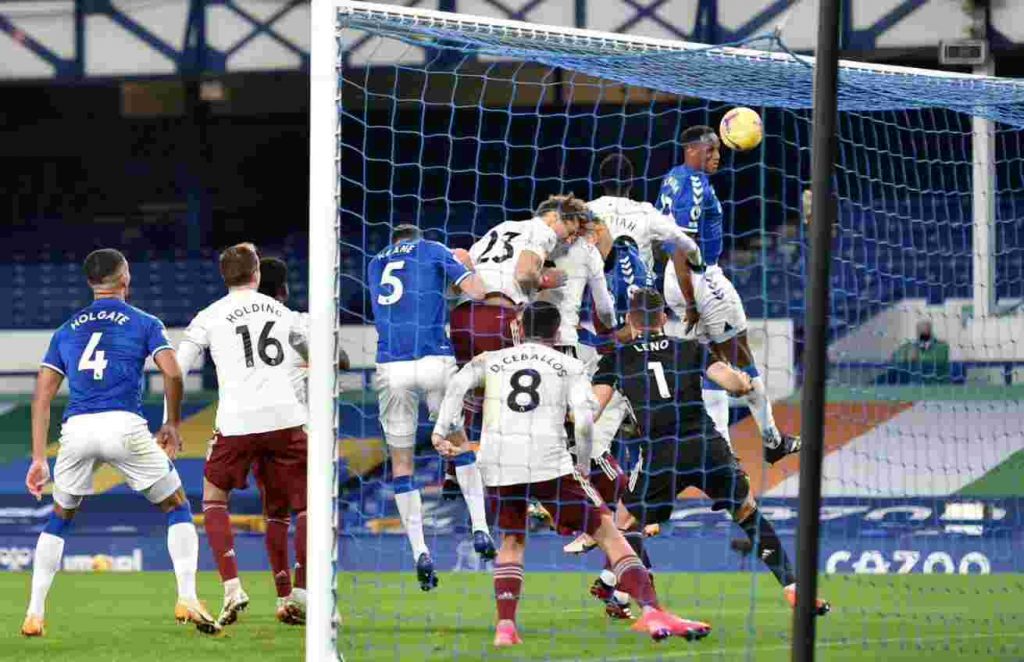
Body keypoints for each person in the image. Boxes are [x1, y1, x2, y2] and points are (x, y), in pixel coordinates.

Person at [431, 301, 712, 647]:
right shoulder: (569, 365)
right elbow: (583, 421)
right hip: (551, 461)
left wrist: (442, 430)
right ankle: (652, 610)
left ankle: (505, 627)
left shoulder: (491, 360)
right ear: (557, 333)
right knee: (609, 531)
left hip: (500, 462)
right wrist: (581, 465)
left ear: (519, 329)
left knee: (513, 540)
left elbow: (458, 383)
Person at [588, 288, 830, 618]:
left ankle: (639, 600)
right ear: (663, 318)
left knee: (625, 522)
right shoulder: (689, 348)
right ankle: (793, 588)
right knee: (747, 514)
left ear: (630, 321)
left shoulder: (615, 360)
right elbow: (734, 384)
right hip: (707, 448)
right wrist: (743, 380)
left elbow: (591, 410)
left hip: (661, 454)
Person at [21, 248, 217, 637]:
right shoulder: (144, 322)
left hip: (76, 430)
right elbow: (173, 373)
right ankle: (187, 596)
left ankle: (34, 613)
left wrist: (40, 458)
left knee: (60, 516)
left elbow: (42, 395)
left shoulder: (67, 328)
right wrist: (173, 425)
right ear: (124, 279)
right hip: (123, 424)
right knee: (176, 505)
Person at [175, 243, 309, 628]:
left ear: (224, 277)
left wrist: (171, 418)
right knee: (307, 505)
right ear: (257, 274)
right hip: (286, 418)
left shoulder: (210, 315)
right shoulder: (282, 312)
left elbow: (178, 368)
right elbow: (316, 354)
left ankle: (233, 587)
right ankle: (300, 591)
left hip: (236, 421)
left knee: (214, 498)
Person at [658, 125, 800, 464]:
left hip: (677, 278)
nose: (717, 157)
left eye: (719, 151)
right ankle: (769, 441)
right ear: (692, 150)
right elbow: (681, 247)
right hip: (699, 279)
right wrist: (691, 302)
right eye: (711, 151)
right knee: (741, 359)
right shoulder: (692, 186)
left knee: (714, 362)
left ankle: (722, 450)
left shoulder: (672, 177)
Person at [367, 224, 495, 591]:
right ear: (417, 237)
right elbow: (478, 291)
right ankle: (481, 528)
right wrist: (463, 265)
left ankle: (420, 551)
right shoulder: (433, 249)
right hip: (433, 360)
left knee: (402, 464)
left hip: (391, 366)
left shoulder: (376, 263)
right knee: (459, 443)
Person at [890, 319, 950, 383]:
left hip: (937, 385)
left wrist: (914, 355)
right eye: (920, 332)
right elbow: (894, 357)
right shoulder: (910, 346)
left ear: (931, 331)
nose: (923, 335)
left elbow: (934, 360)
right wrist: (906, 355)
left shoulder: (942, 346)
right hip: (916, 386)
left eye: (926, 332)